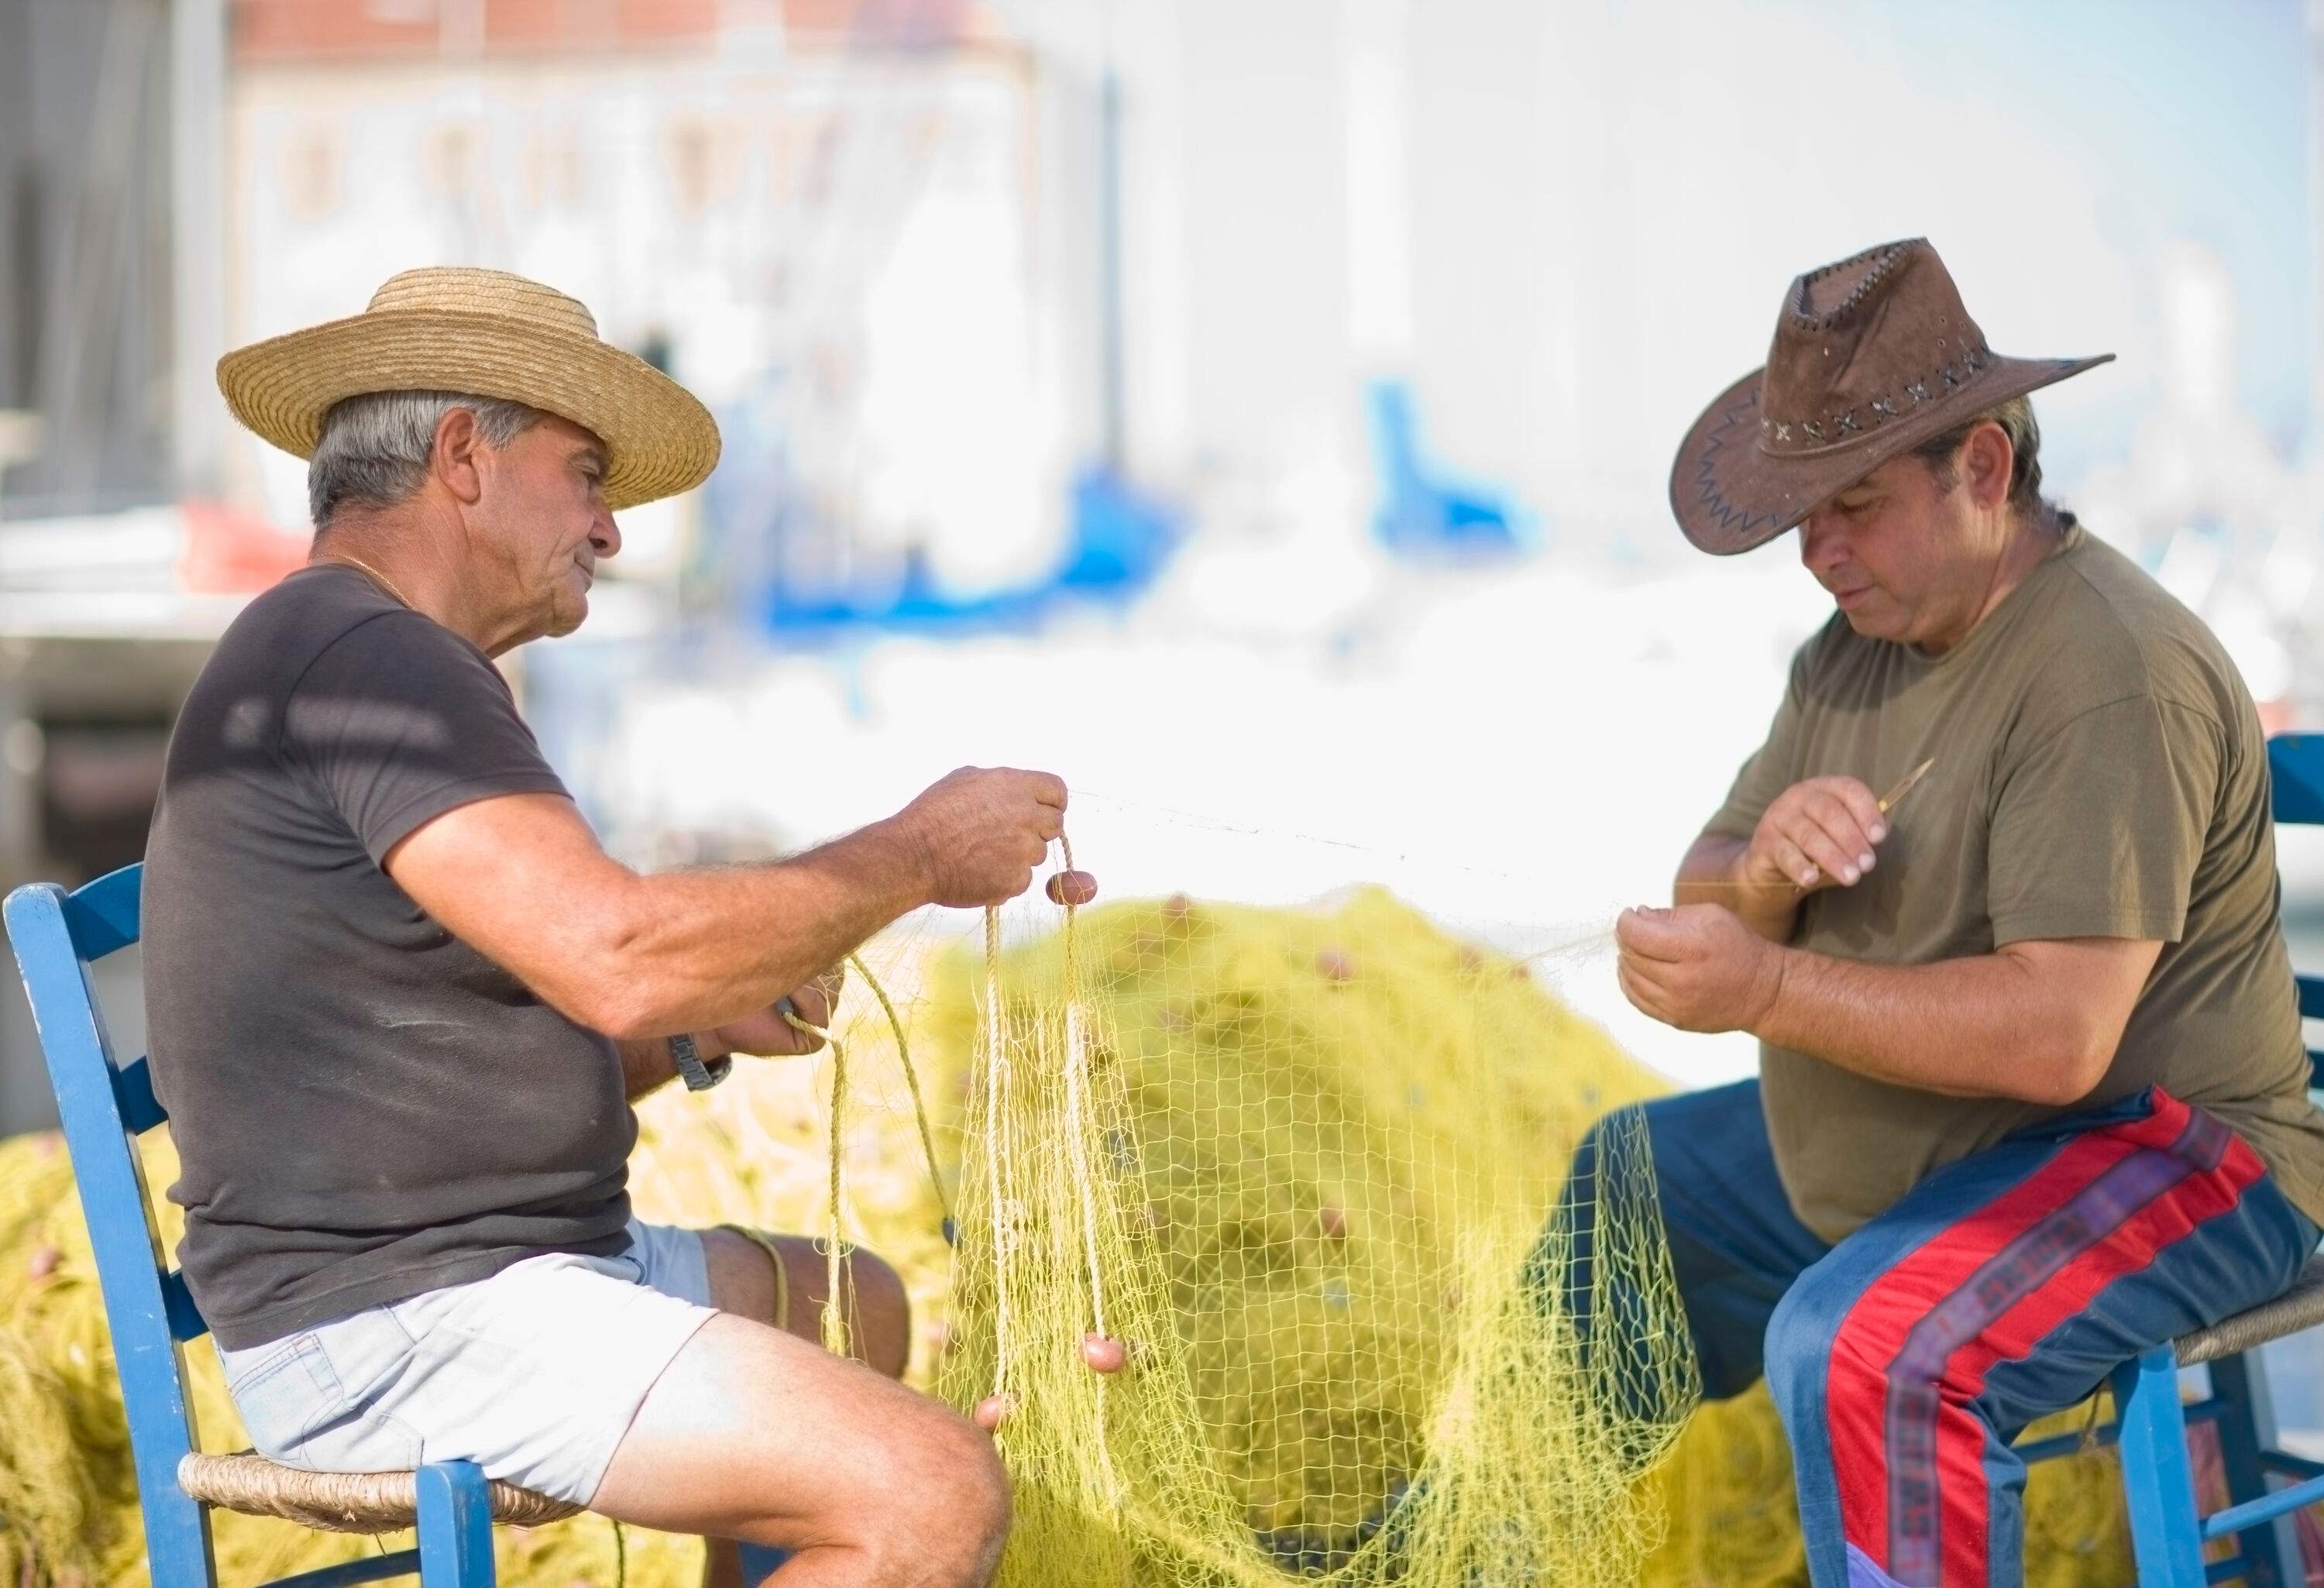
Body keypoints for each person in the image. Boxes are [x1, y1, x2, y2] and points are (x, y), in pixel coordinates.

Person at [146, 266, 1074, 1586]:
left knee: (855, 1308)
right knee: (928, 1494)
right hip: (406, 1317)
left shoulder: (368, 651)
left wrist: (702, 1026)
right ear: (464, 456)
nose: (612, 529)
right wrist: (919, 853)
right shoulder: (367, 661)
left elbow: (446, 1042)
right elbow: (615, 954)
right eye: (586, 474)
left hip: (484, 1271)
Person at [1584, 238, 2324, 1588]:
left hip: (2179, 1154)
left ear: (1983, 470)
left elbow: (2058, 1039)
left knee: (1864, 1341)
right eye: (1802, 514)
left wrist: (1760, 985)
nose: (1817, 552)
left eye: (1853, 505)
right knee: (1621, 1191)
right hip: (1941, 1140)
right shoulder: (1857, 641)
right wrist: (1765, 882)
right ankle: (1530, 1545)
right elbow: (1714, 876)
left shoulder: (2109, 665)